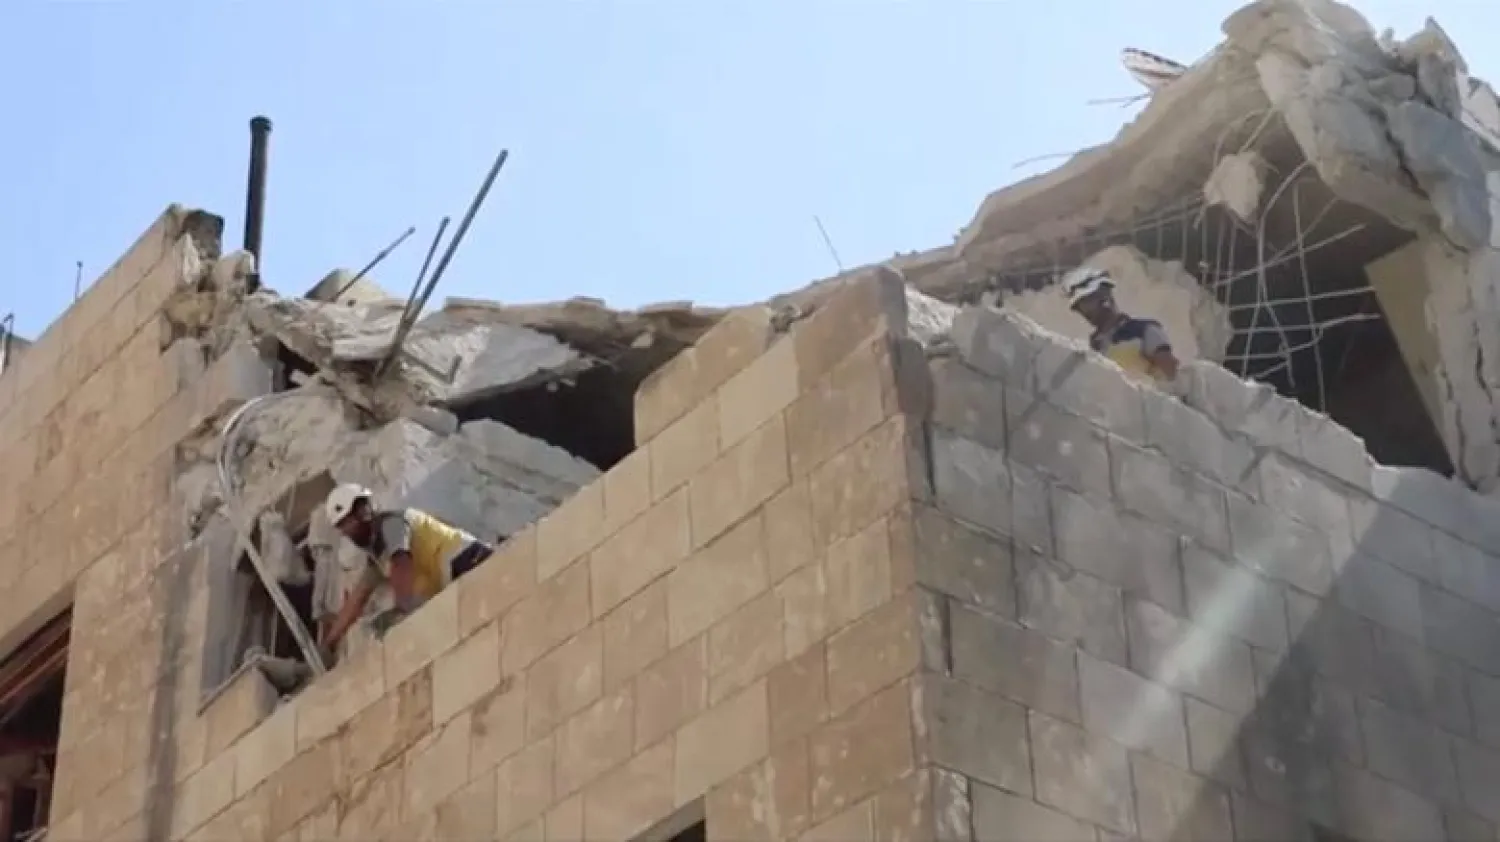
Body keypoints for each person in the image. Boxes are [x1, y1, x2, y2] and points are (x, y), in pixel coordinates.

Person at [318, 483, 493, 656]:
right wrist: (330, 642)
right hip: (456, 577)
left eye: (348, 522)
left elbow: (401, 563)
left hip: (469, 560)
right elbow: (357, 599)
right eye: (343, 526)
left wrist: (401, 608)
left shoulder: (393, 524)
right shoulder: (378, 555)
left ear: (363, 512)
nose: (347, 532)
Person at [1062, 265, 1180, 382]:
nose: (1084, 312)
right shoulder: (1094, 346)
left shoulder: (1143, 331)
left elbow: (1170, 374)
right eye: (1080, 308)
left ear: (1104, 297)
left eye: (1087, 303)